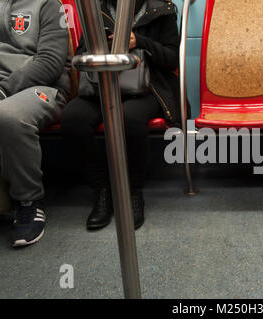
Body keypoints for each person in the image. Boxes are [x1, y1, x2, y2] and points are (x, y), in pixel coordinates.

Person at [61, 0, 183, 231]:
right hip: (102, 86)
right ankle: (102, 190)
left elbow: (171, 58)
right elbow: (80, 54)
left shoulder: (162, 8)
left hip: (147, 86)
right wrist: (100, 48)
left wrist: (140, 43)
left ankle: (133, 191)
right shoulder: (96, 9)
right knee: (73, 119)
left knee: (129, 119)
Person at [0, 0, 71, 246]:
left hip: (40, 86)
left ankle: (28, 202)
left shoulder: (48, 5)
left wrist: (1, 91)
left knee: (7, 117)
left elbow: (50, 61)